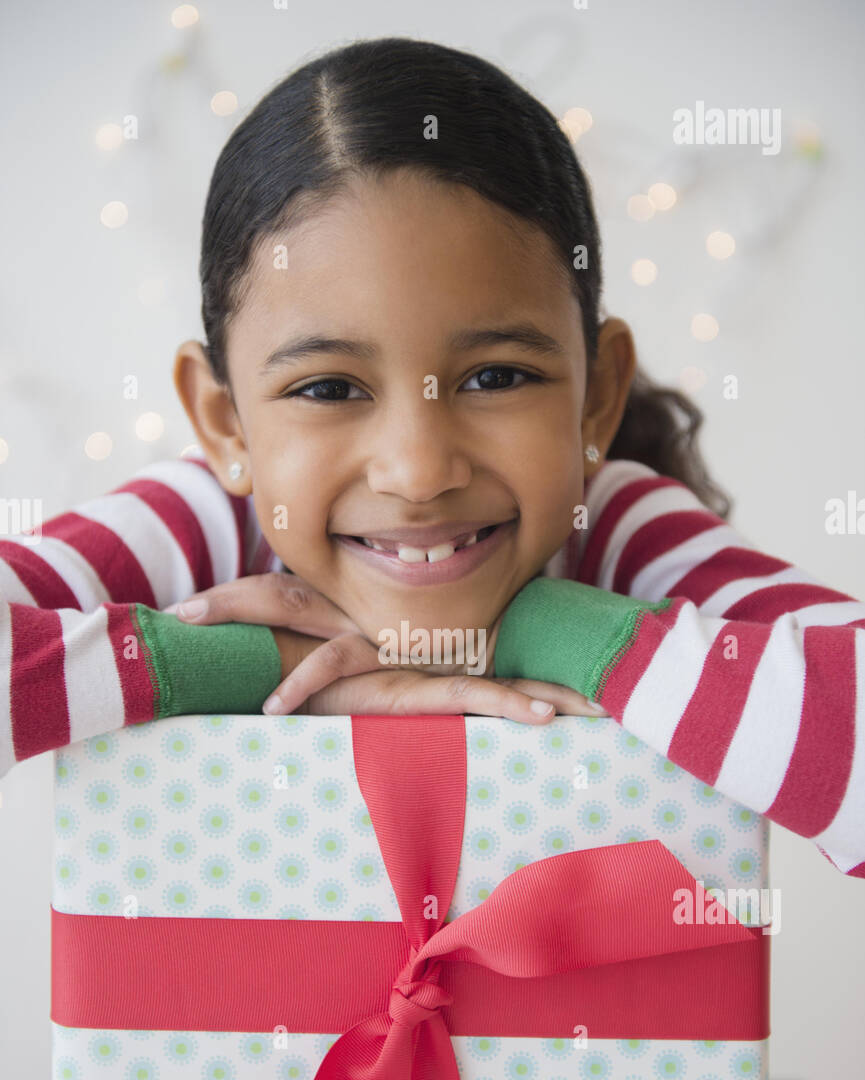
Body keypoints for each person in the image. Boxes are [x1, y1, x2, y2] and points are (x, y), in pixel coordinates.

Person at [1, 36, 862, 877]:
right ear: (226, 425)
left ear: (595, 397)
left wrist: (537, 630)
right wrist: (254, 658)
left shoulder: (615, 528)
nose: (417, 471)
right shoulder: (198, 526)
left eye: (495, 376)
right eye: (329, 389)